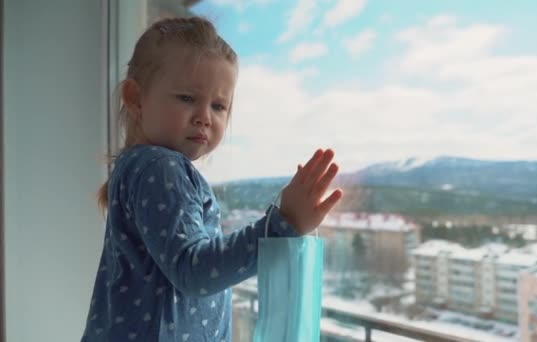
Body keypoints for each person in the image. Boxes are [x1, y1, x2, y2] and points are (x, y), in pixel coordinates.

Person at [81, 16, 343, 341]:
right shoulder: (160, 168)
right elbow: (195, 270)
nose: (204, 117)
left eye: (219, 106)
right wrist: (282, 225)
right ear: (135, 98)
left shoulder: (137, 167)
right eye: (187, 98)